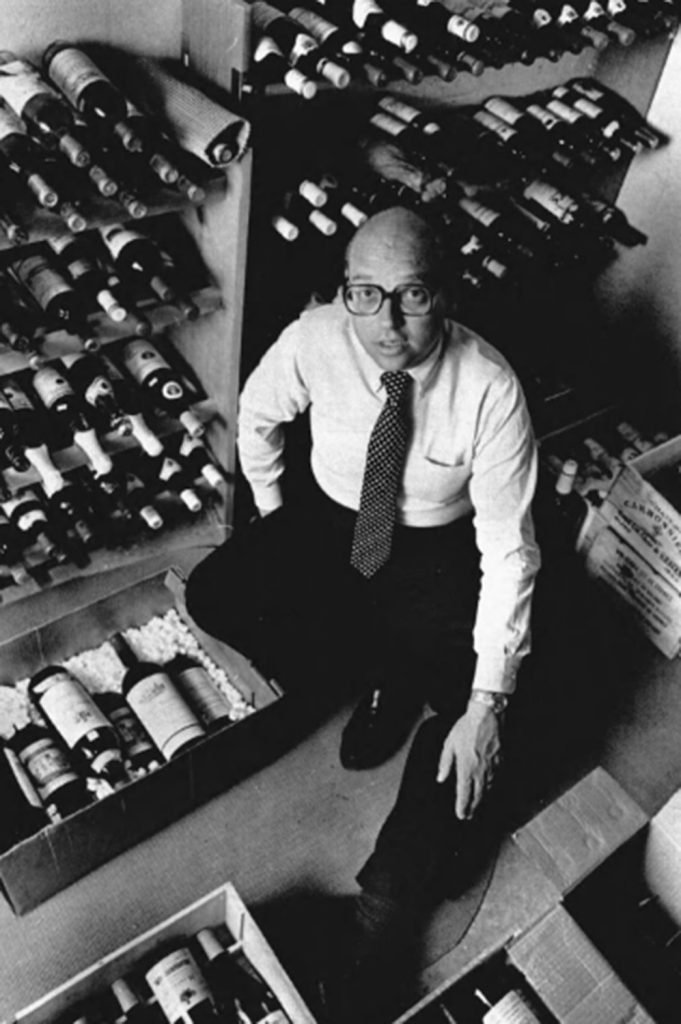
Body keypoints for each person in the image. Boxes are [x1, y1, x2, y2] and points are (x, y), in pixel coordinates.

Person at [185, 206, 541, 1016]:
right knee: (215, 595)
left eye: (411, 295)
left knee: (477, 728)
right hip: (327, 517)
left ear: (444, 294)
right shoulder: (314, 337)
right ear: (343, 290)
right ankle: (371, 667)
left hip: (437, 549)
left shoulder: (490, 388)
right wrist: (275, 519)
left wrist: (486, 705)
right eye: (364, 294)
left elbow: (509, 550)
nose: (386, 322)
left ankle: (380, 919)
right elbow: (259, 415)